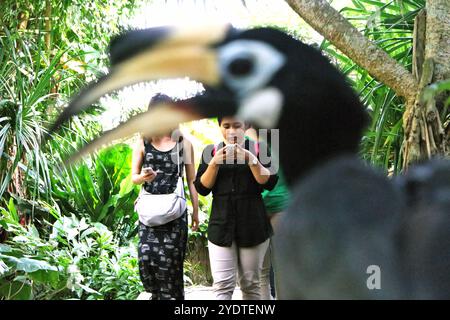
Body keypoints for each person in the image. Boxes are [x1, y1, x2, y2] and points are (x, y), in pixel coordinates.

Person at [194, 116, 278, 300]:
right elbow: (202, 188)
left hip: (253, 226)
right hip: (221, 226)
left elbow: (270, 181)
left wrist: (252, 160)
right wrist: (214, 163)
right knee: (222, 286)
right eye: (226, 126)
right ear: (220, 127)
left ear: (245, 126)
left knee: (250, 285)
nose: (231, 131)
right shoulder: (211, 151)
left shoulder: (259, 149)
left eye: (237, 126)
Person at [131, 93, 199, 300]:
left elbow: (191, 180)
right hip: (149, 214)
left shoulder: (184, 144)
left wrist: (196, 211)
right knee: (146, 258)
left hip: (175, 215)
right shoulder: (143, 142)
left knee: (171, 267)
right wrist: (143, 177)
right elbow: (133, 177)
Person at [245, 127, 290, 300]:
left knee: (263, 272)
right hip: (276, 203)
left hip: (265, 204)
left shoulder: (248, 133)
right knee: (280, 268)